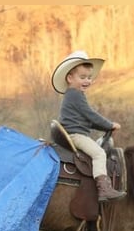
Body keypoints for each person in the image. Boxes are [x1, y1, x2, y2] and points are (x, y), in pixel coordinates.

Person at [51, 51, 126, 201]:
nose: (87, 81)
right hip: (76, 135)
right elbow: (90, 114)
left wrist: (106, 128)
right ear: (70, 78)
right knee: (99, 154)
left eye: (89, 77)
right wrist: (110, 124)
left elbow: (89, 121)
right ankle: (104, 188)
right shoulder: (75, 95)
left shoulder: (72, 95)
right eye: (82, 77)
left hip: (75, 133)